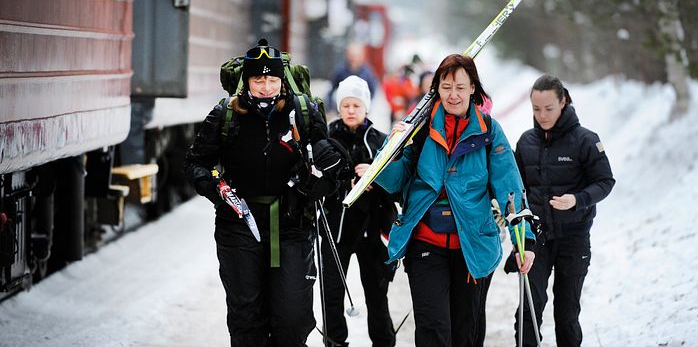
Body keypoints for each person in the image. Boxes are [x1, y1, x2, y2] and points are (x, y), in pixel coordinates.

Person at [184, 39, 347, 347]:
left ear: (281, 80)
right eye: (258, 79)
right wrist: (216, 187)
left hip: (292, 226)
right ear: (247, 81)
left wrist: (321, 180)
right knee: (247, 319)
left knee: (293, 320)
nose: (265, 86)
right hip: (239, 227)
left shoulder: (303, 113)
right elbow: (196, 163)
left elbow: (327, 168)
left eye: (272, 79)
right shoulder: (225, 115)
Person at [374, 53, 535, 347]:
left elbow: (510, 188)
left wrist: (523, 239)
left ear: (473, 87)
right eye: (446, 87)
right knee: (433, 329)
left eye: (460, 87)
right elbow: (392, 181)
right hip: (425, 242)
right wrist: (390, 147)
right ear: (436, 88)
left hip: (471, 245)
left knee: (465, 333)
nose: (453, 95)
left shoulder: (489, 131)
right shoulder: (420, 129)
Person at [511, 74, 615, 347]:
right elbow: (514, 187)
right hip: (535, 239)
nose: (542, 115)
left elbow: (605, 182)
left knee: (567, 314)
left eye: (548, 108)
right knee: (529, 310)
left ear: (564, 102)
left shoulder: (586, 140)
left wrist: (578, 199)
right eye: (536, 109)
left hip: (574, 237)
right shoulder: (525, 142)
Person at [321, 75, 397, 347]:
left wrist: (376, 179)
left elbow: (398, 184)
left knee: (377, 295)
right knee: (331, 294)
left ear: (366, 108)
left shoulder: (381, 141)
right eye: (346, 105)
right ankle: (335, 342)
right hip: (336, 230)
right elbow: (316, 180)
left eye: (356, 105)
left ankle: (384, 341)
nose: (351, 111)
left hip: (373, 230)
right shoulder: (326, 138)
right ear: (339, 108)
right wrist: (346, 182)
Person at [328, 42, 378, 113]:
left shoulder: (368, 73)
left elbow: (373, 91)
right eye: (352, 55)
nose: (354, 58)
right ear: (347, 55)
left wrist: (366, 106)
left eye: (357, 55)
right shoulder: (339, 71)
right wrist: (331, 109)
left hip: (361, 111)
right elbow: (330, 90)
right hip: (342, 111)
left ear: (362, 56)